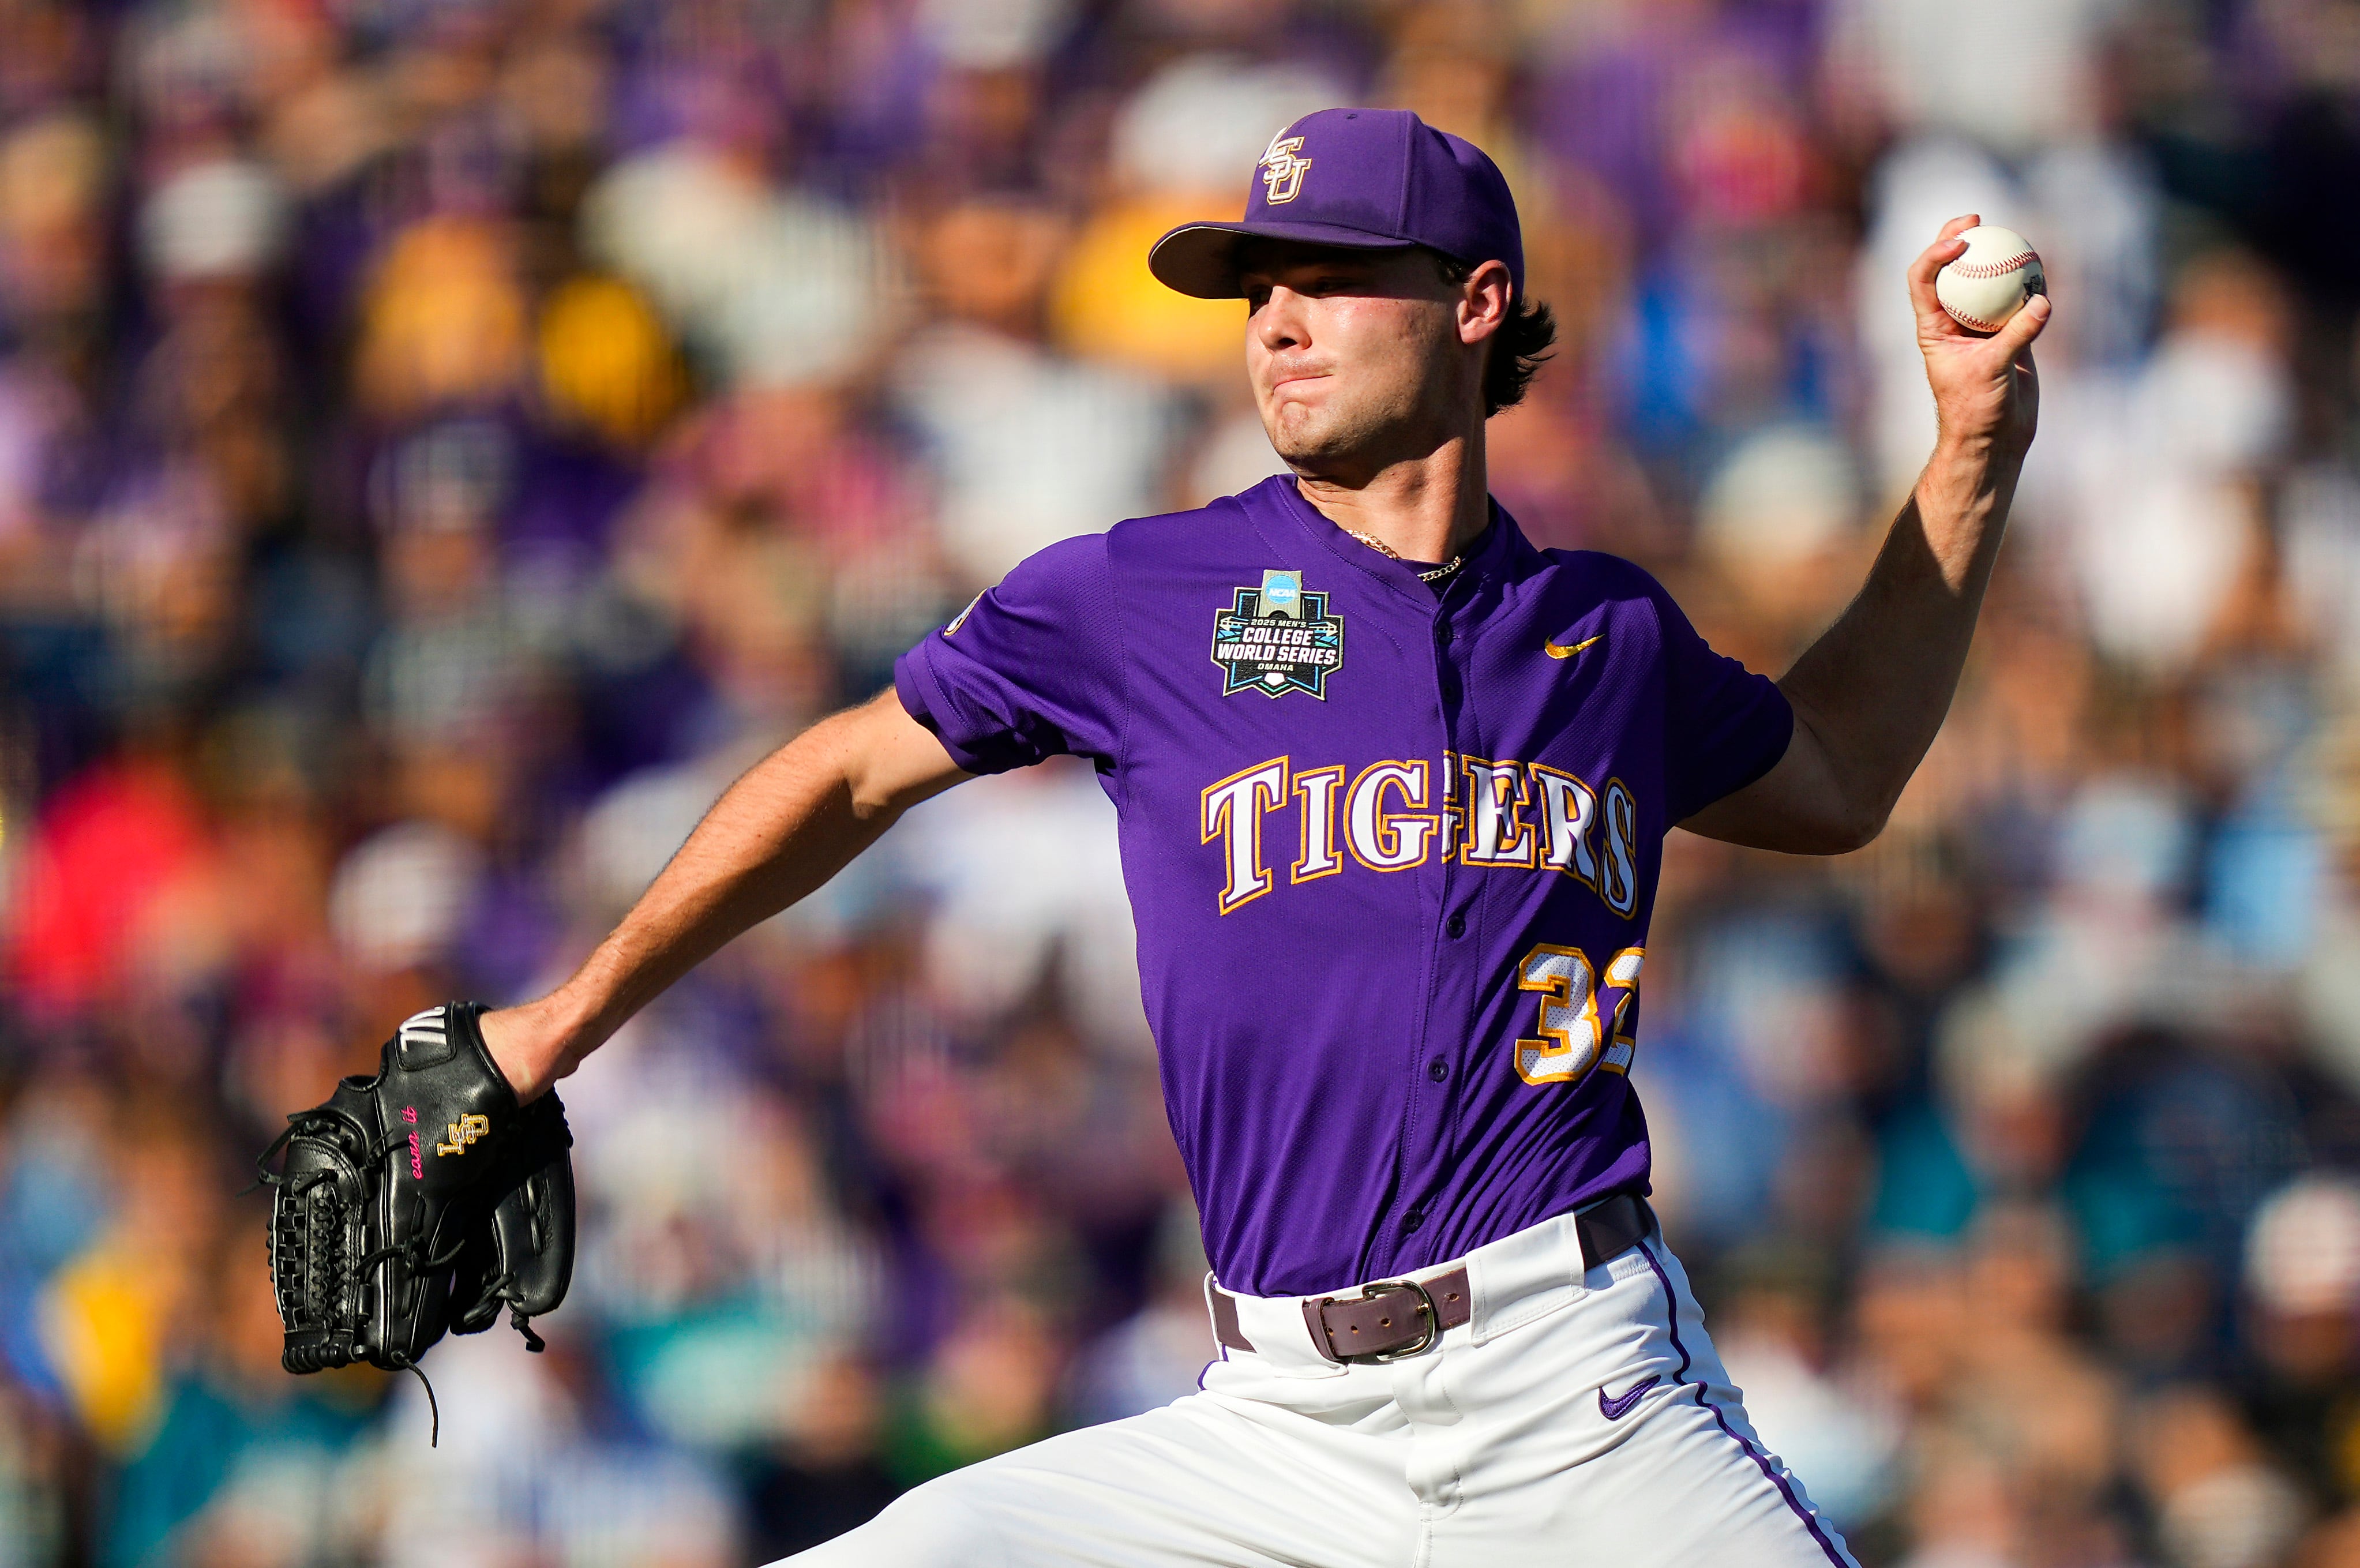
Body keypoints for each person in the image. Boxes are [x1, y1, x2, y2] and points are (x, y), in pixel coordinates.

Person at [468, 109, 2047, 1566]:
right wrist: (554, 1023)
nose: (1276, 322)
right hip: (1267, 1426)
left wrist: (1969, 446)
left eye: (1332, 277)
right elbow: (843, 777)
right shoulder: (1136, 597)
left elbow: (1835, 775)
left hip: (1581, 1396)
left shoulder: (1604, 635)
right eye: (1254, 289)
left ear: (1476, 302)